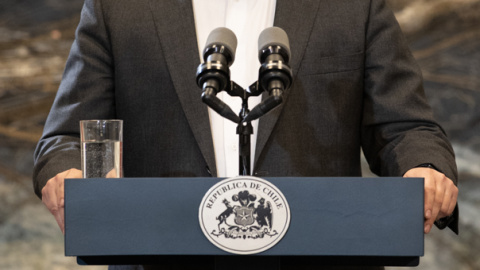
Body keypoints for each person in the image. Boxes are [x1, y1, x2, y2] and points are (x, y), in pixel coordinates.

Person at [33, 0, 459, 269]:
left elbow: (405, 127)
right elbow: (67, 136)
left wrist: (425, 167)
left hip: (323, 256)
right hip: (155, 256)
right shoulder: (117, 8)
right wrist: (65, 172)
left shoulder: (353, 6)